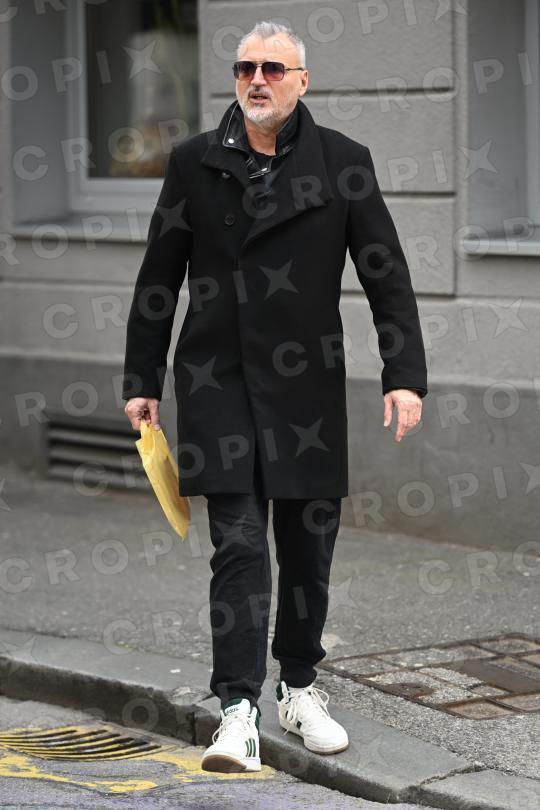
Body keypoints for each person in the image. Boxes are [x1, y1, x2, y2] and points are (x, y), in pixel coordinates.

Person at [123, 20, 428, 773]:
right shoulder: (195, 161)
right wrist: (142, 380)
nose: (256, 79)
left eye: (272, 68)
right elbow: (159, 277)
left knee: (307, 546)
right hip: (216, 381)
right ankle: (237, 710)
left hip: (306, 389)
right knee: (238, 543)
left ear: (301, 81)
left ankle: (297, 685)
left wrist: (404, 374)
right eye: (245, 68)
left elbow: (385, 273)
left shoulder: (343, 162)